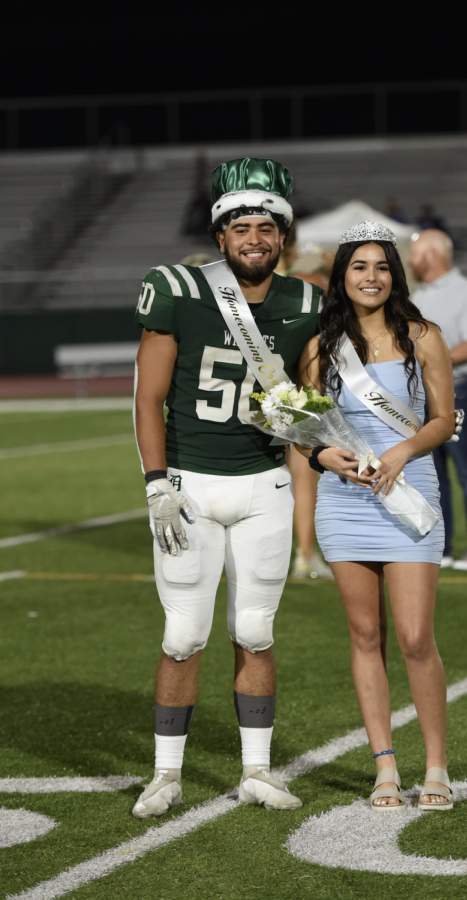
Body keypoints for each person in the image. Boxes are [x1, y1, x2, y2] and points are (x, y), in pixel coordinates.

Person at [132, 157, 324, 818]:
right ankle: (165, 775)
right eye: (241, 225)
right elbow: (147, 397)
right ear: (220, 236)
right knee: (184, 634)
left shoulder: (305, 302)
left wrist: (305, 422)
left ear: (283, 236)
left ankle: (258, 770)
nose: (254, 237)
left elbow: (311, 407)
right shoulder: (179, 289)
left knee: (256, 629)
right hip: (189, 484)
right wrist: (156, 483)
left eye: (267, 227)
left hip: (265, 485)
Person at [297, 220, 456, 811]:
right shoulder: (321, 346)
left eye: (382, 266)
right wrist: (323, 457)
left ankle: (436, 765)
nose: (372, 277)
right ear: (342, 276)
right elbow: (303, 430)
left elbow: (443, 418)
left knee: (416, 637)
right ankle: (385, 767)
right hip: (346, 502)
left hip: (409, 495)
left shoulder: (424, 336)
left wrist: (402, 449)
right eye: (359, 267)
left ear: (396, 273)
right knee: (366, 636)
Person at [408, 229, 467, 571]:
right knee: (433, 474)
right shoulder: (421, 293)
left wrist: (433, 361)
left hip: (457, 391)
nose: (410, 261)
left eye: (414, 254)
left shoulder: (465, 291)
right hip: (423, 394)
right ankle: (441, 548)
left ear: (431, 255)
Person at [275, 229, 333, 579]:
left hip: (258, 392)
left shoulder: (247, 285)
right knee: (305, 477)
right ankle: (306, 555)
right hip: (298, 389)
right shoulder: (304, 283)